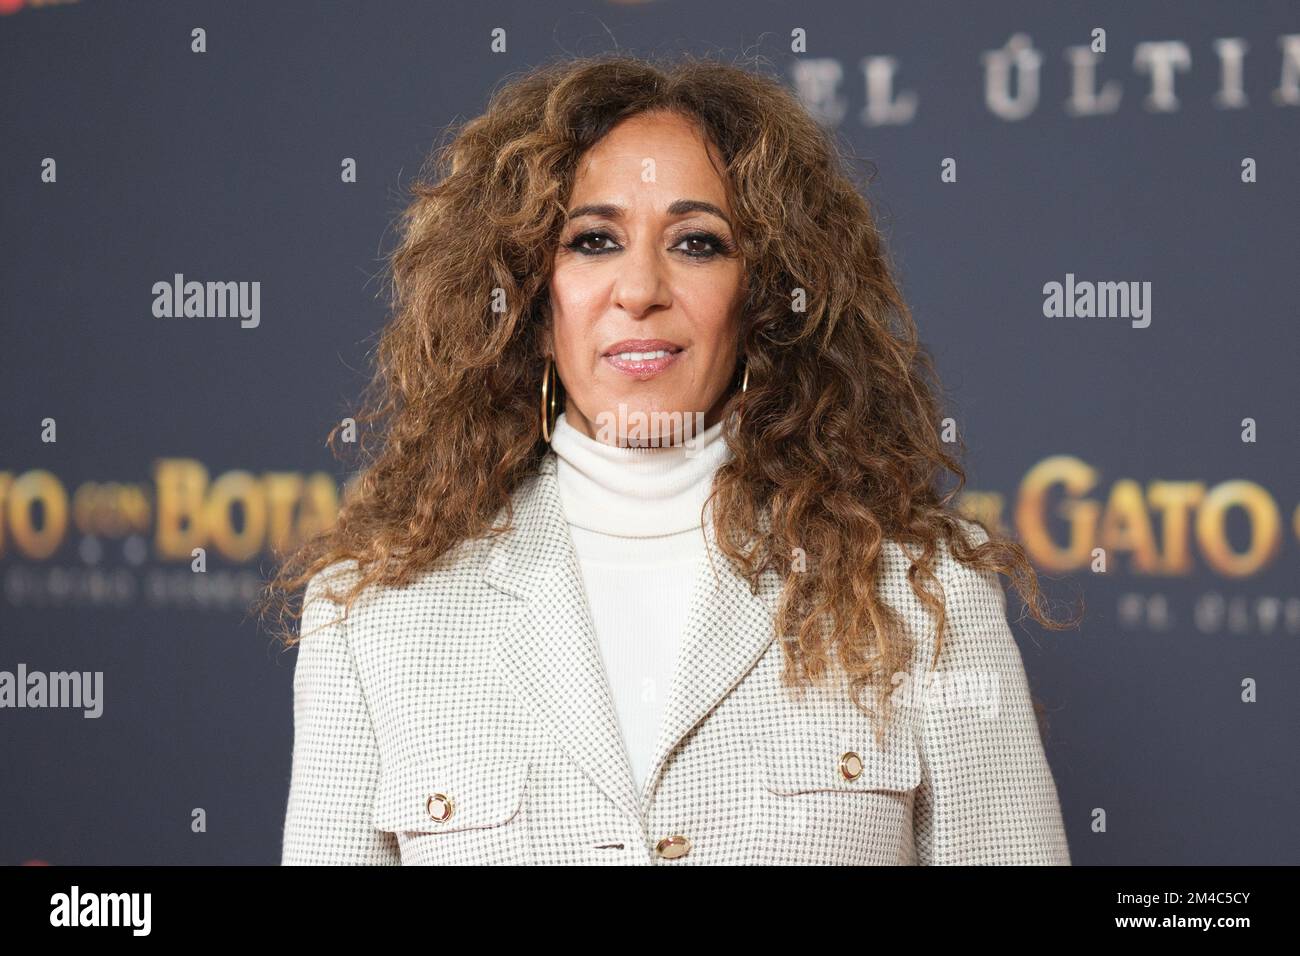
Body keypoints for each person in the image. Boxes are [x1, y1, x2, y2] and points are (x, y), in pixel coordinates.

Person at [261, 53, 1077, 865]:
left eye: (696, 242)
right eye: (593, 241)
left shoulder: (922, 595)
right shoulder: (374, 614)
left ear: (762, 301)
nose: (641, 287)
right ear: (533, 305)